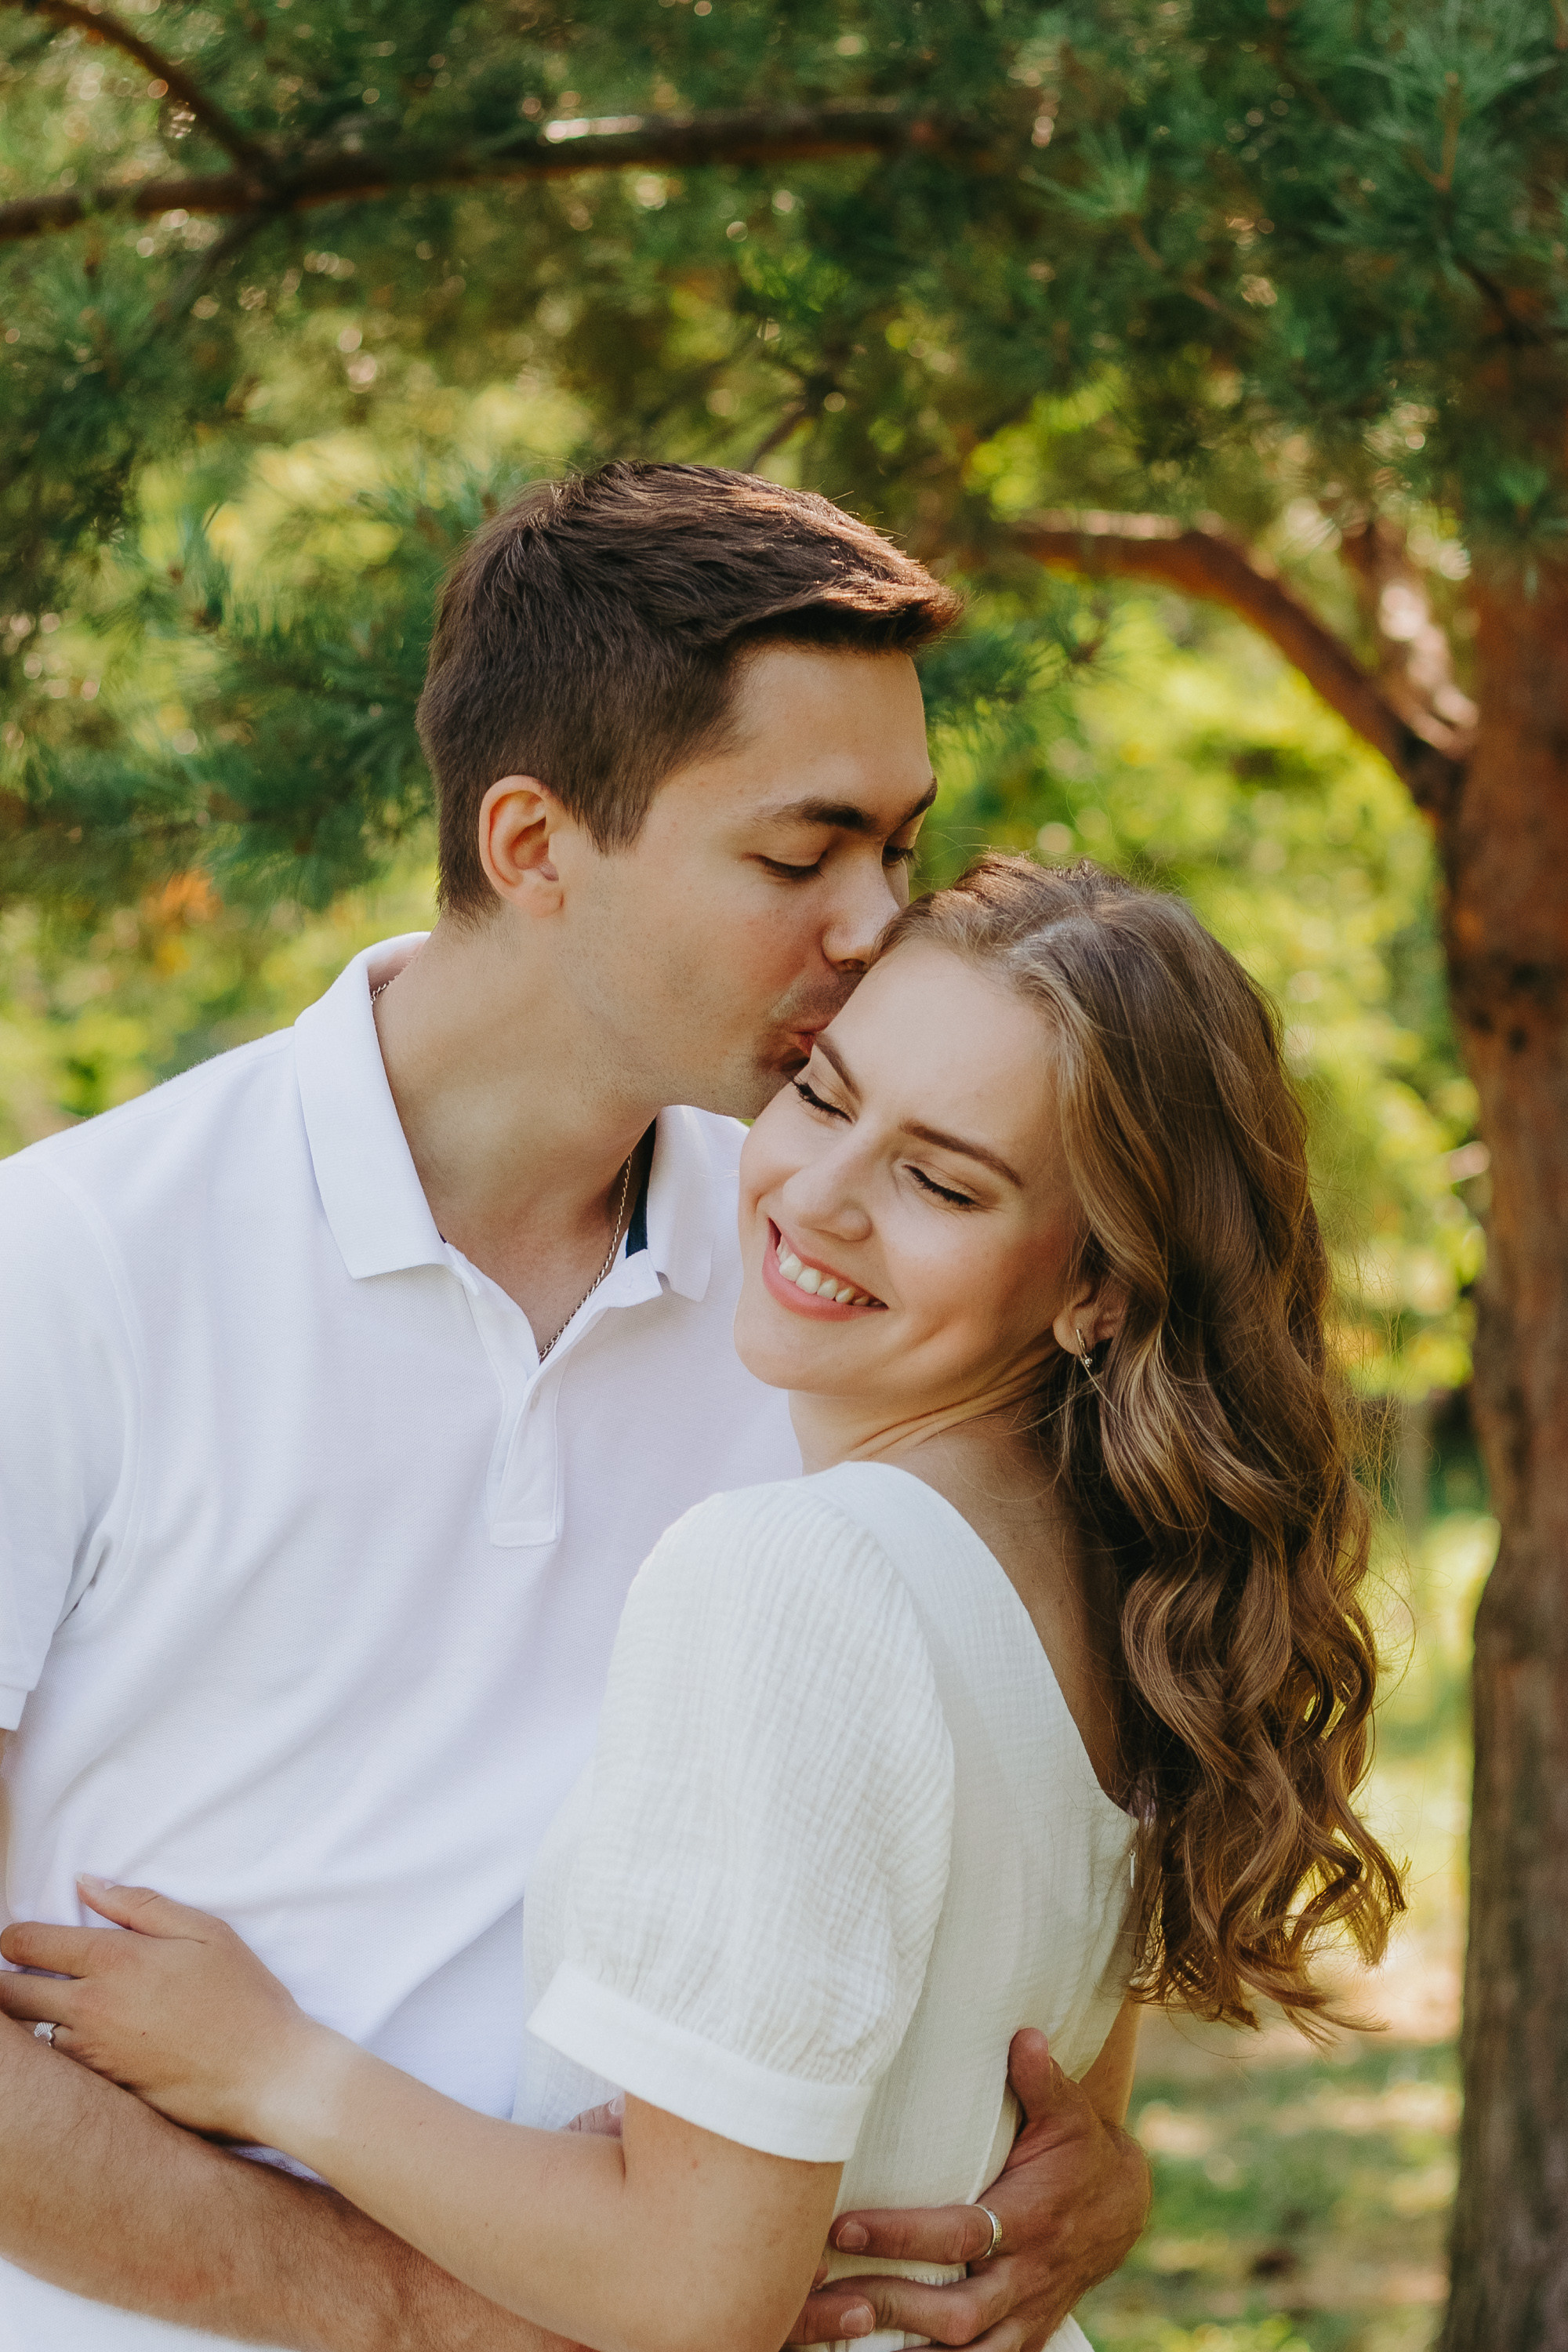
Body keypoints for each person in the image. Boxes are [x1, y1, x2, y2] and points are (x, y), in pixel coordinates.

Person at [0, 466, 1151, 2352]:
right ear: (534, 842)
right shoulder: (66, 1274)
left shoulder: (834, 1276)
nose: (880, 926)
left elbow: (1037, 1786)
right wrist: (440, 2325)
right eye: (804, 855)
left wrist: (1096, 2154)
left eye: (901, 846)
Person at [0, 855, 1405, 2352]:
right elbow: (1022, 2081)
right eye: (824, 1094)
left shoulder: (797, 1573)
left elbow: (696, 2294)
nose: (819, 1193)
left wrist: (272, 2068)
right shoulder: (1105, 1575)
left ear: (1100, 1289)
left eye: (940, 1180)